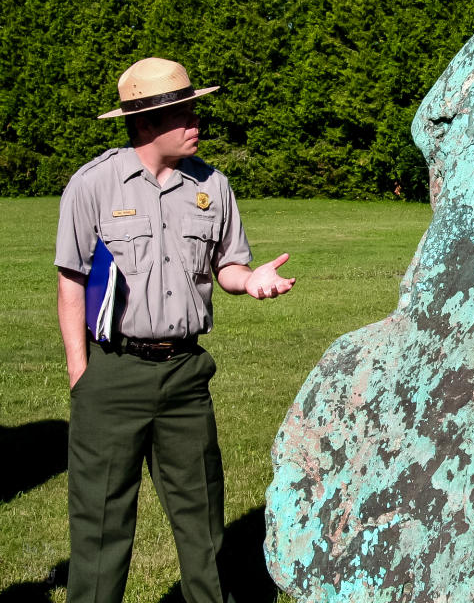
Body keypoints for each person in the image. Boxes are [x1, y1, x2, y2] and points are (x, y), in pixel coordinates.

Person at [55, 57, 296, 603]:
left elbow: (227, 267)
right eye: (180, 112)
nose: (195, 121)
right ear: (142, 123)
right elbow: (71, 281)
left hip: (186, 378)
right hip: (112, 377)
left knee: (204, 528)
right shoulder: (92, 186)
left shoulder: (213, 186)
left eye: (192, 108)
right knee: (98, 531)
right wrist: (81, 376)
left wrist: (250, 280)